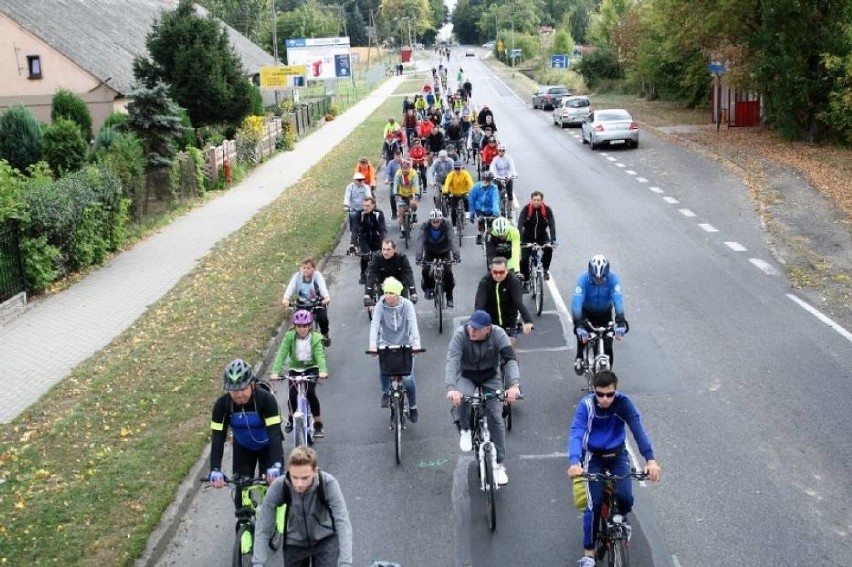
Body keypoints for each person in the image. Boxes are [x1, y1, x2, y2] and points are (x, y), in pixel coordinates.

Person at [566, 370, 661, 567]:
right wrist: (575, 462)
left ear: (616, 391)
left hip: (617, 455)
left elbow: (638, 429)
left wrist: (650, 460)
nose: (605, 399)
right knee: (594, 504)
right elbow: (576, 432)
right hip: (593, 456)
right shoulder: (586, 406)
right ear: (593, 391)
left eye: (610, 394)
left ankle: (621, 522)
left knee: (625, 497)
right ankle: (589, 554)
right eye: (600, 394)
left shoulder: (624, 403)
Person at [445, 310, 520, 485]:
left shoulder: (499, 334)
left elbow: (510, 360)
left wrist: (514, 385)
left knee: (496, 417)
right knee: (463, 398)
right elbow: (452, 360)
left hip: (490, 376)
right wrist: (451, 388)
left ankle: (499, 463)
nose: (472, 331)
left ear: (488, 329)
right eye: (471, 327)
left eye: (477, 329)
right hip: (467, 375)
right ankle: (465, 429)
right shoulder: (460, 335)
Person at [252, 446, 353, 567]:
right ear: (289, 470)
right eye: (295, 477)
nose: (299, 484)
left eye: (305, 478)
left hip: (325, 540)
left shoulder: (328, 483)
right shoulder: (279, 486)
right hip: (295, 543)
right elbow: (263, 527)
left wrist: (345, 562)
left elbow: (342, 522)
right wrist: (258, 563)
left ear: (315, 471)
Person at [209, 359, 284, 488]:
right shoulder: (222, 405)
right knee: (240, 492)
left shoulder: (266, 400)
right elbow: (217, 438)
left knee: (273, 490)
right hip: (243, 449)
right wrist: (215, 469)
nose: (239, 395)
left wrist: (276, 465)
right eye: (234, 391)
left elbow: (275, 434)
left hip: (268, 447)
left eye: (243, 389)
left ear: (252, 384)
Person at [368, 277, 422, 421]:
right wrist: (373, 345)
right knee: (384, 368)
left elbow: (413, 325)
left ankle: (413, 407)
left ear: (398, 294)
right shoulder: (380, 305)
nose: (388, 296)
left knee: (408, 378)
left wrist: (416, 345)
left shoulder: (408, 305)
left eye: (391, 293)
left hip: (405, 343)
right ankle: (386, 392)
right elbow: (374, 326)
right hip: (386, 342)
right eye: (386, 292)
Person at [270, 310, 329, 438]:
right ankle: (291, 418)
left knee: (310, 393)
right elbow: (281, 355)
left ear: (310, 326)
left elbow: (320, 356)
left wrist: (323, 371)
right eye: (299, 326)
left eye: (305, 326)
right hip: (295, 368)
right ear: (295, 327)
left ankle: (318, 423)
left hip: (311, 368)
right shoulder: (290, 337)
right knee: (292, 394)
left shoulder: (316, 338)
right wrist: (275, 372)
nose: (302, 329)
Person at [571, 255, 628, 375]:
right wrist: (579, 324)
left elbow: (618, 300)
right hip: (586, 312)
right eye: (595, 278)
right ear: (590, 273)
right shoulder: (582, 279)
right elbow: (576, 304)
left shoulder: (613, 278)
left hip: (605, 312)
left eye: (602, 279)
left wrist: (621, 321)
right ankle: (579, 356)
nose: (598, 281)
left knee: (608, 346)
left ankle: (607, 378)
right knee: (583, 336)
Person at [474, 256, 533, 350]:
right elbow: (479, 305)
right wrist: (477, 324)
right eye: (495, 272)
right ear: (491, 270)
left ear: (506, 270)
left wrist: (528, 321)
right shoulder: (485, 282)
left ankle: (513, 364)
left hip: (509, 322)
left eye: (501, 272)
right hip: (491, 323)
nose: (498, 275)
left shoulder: (513, 281)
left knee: (511, 348)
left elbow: (518, 302)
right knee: (486, 351)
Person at [415, 209, 460, 308]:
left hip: (444, 251)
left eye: (438, 222)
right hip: (430, 251)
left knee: (448, 273)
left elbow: (452, 239)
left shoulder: (447, 224)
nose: (435, 224)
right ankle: (428, 288)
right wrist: (418, 257)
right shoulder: (425, 226)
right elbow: (420, 241)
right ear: (430, 221)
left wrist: (456, 255)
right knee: (425, 270)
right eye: (433, 222)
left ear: (441, 220)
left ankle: (449, 297)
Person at [283, 258, 331, 347]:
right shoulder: (297, 276)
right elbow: (291, 286)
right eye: (304, 268)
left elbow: (322, 287)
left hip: (317, 303)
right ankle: (296, 342)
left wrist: (326, 297)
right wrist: (286, 298)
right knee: (297, 322)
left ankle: (325, 334)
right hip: (302, 304)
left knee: (323, 318)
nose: (306, 270)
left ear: (314, 269)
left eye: (308, 268)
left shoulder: (317, 276)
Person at [518, 191, 557, 283]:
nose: (536, 202)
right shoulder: (526, 209)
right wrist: (519, 239)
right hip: (527, 236)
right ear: (531, 200)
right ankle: (526, 280)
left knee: (548, 249)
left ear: (542, 201)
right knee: (523, 260)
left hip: (542, 236)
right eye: (534, 200)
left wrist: (553, 240)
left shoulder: (547, 210)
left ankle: (545, 269)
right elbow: (520, 225)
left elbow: (552, 224)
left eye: (538, 200)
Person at [365, 239, 417, 304]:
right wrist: (367, 294)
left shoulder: (402, 258)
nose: (385, 252)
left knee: (404, 305)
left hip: (400, 285)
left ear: (394, 249)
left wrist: (413, 293)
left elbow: (408, 274)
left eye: (388, 249)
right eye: (383, 249)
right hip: (383, 285)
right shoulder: (377, 258)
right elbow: (372, 274)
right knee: (382, 307)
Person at [350, 197, 387, 285]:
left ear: (373, 205)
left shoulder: (379, 213)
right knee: (365, 255)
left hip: (376, 238)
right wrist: (353, 243)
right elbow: (355, 228)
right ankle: (363, 274)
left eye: (368, 206)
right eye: (364, 206)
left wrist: (383, 242)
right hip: (364, 239)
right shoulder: (360, 214)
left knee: (380, 256)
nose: (365, 208)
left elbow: (382, 229)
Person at [468, 171, 500, 245]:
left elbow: (495, 200)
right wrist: (471, 213)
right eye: (484, 179)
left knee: (491, 227)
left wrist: (496, 212)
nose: (486, 181)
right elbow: (472, 200)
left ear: (491, 180)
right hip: (479, 209)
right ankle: (479, 233)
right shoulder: (476, 187)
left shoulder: (494, 188)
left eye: (488, 180)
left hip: (490, 210)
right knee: (480, 221)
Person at [343, 172, 372, 247]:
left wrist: (369, 204)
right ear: (354, 180)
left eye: (362, 180)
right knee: (352, 218)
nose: (361, 181)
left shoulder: (366, 187)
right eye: (359, 180)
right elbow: (347, 196)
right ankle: (352, 236)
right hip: (354, 209)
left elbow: (368, 195)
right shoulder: (350, 187)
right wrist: (346, 205)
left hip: (363, 208)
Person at [393, 159, 421, 237]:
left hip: (411, 193)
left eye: (406, 168)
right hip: (402, 194)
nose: (404, 170)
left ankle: (414, 214)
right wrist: (395, 193)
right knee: (400, 213)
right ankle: (402, 229)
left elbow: (416, 184)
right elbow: (395, 185)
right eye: (403, 168)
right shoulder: (398, 173)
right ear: (401, 168)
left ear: (409, 167)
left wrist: (417, 194)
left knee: (414, 204)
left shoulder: (413, 173)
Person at [442, 161, 474, 227]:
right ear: (454, 169)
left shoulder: (465, 173)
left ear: (461, 168)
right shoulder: (451, 174)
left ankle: (467, 214)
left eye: (458, 168)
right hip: (454, 193)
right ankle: (454, 226)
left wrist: (472, 189)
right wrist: (445, 191)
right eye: (455, 169)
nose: (457, 170)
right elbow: (447, 183)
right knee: (453, 210)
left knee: (467, 200)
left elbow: (470, 182)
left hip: (464, 192)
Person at [489, 144, 518, 208]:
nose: (501, 152)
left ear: (505, 151)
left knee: (510, 194)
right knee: (496, 194)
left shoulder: (509, 158)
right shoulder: (495, 159)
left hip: (507, 177)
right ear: (498, 151)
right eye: (500, 150)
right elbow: (492, 169)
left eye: (503, 151)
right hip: (498, 177)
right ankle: (497, 208)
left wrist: (513, 175)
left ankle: (510, 209)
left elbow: (512, 168)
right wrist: (497, 178)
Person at [384, 150, 403, 219]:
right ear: (394, 157)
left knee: (409, 195)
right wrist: (386, 179)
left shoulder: (404, 163)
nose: (398, 159)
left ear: (401, 156)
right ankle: (394, 213)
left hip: (404, 183)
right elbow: (387, 172)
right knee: (392, 196)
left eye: (399, 157)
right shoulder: (391, 163)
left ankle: (410, 212)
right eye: (397, 157)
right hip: (394, 182)